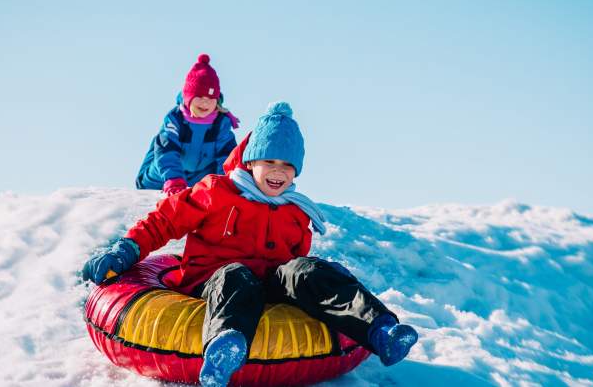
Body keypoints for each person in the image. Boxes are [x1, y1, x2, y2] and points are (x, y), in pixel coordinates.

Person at [85, 102, 418, 386]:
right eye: (270, 162)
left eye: (287, 166)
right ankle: (224, 348)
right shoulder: (217, 192)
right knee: (237, 274)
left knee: (307, 270)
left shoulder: (295, 211)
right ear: (250, 161)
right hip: (214, 282)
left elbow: (294, 262)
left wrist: (308, 281)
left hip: (268, 286)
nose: (278, 172)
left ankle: (380, 330)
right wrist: (127, 248)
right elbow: (166, 220)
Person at [135, 53, 239, 195]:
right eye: (200, 97)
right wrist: (174, 179)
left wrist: (226, 185)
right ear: (189, 98)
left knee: (214, 177)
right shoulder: (175, 119)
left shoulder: (220, 123)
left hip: (198, 176)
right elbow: (166, 151)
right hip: (163, 174)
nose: (205, 102)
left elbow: (227, 156)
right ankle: (164, 180)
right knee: (159, 168)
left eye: (211, 98)